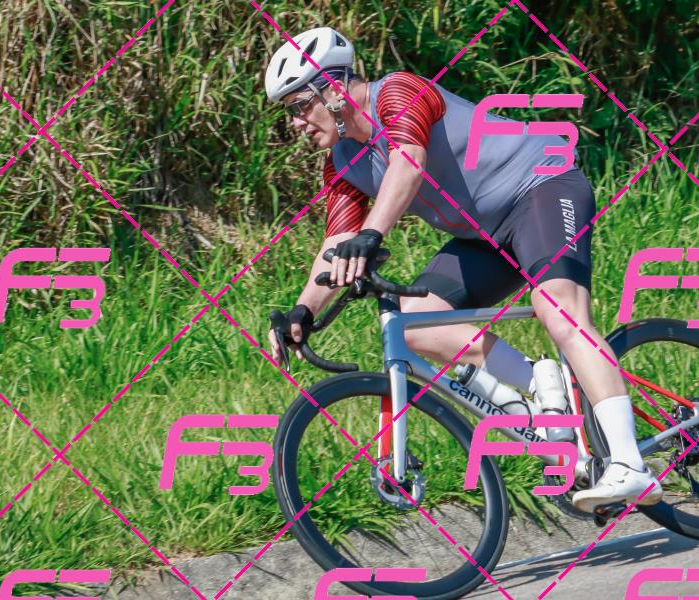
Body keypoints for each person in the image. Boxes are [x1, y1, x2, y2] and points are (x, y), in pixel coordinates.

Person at [264, 27, 662, 512]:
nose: (296, 122)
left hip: (541, 188)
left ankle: (631, 467)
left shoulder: (398, 91)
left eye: (300, 105)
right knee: (415, 322)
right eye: (289, 112)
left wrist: (373, 234)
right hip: (485, 237)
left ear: (333, 87)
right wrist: (303, 311)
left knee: (558, 310)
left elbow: (408, 161)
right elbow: (337, 241)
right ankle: (541, 389)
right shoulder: (343, 160)